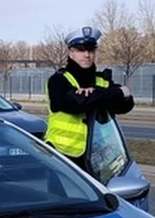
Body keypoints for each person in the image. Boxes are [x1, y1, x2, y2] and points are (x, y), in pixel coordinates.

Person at [45, 26, 134, 171]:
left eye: (91, 50)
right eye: (80, 50)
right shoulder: (58, 80)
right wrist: (116, 92)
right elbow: (77, 104)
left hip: (98, 155)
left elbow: (125, 105)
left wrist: (96, 93)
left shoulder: (102, 81)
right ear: (70, 53)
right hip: (62, 155)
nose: (87, 55)